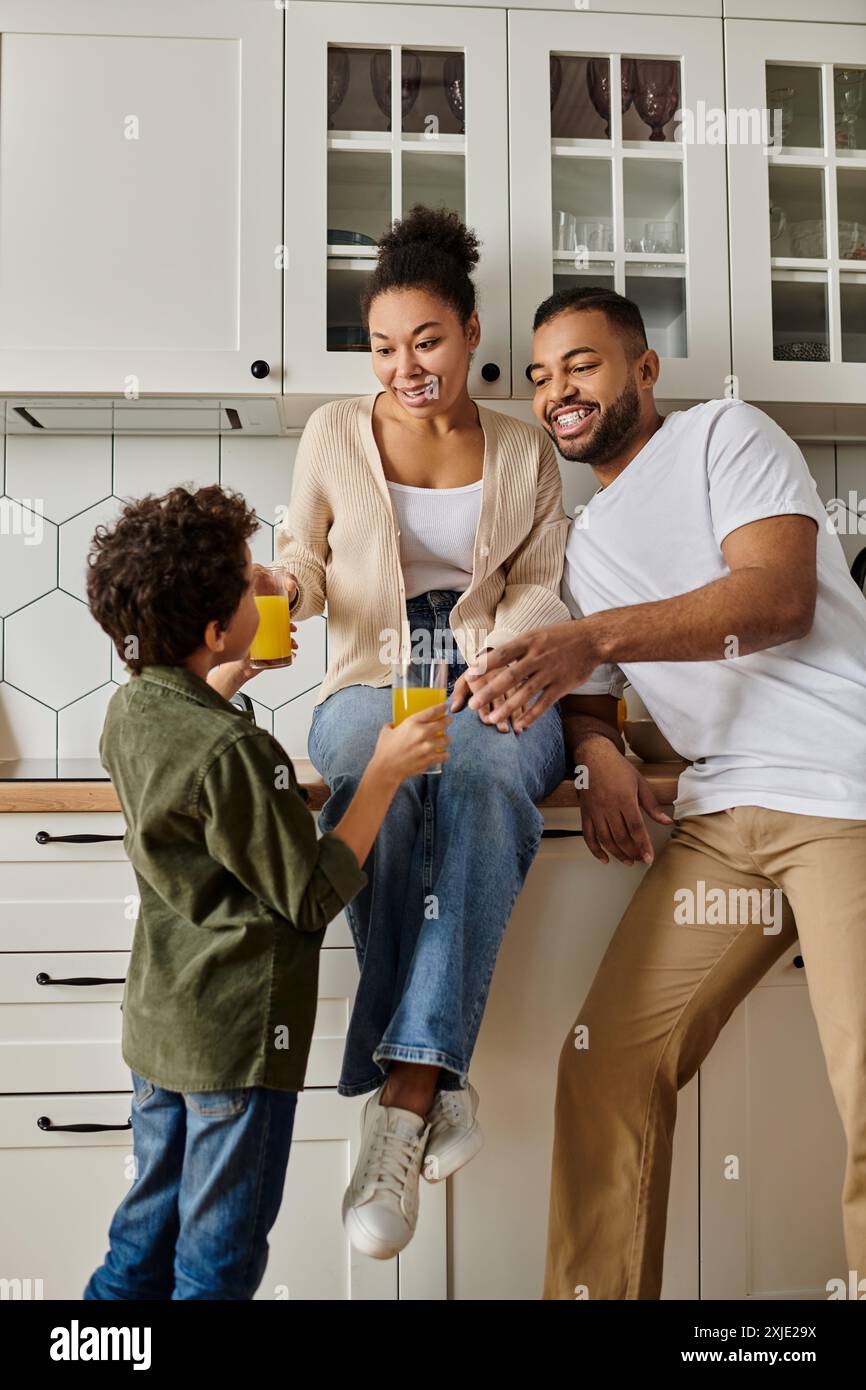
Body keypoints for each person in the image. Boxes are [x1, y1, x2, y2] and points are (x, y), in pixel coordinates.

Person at [454, 286, 866, 1299]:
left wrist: (588, 640)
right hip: (719, 820)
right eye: (543, 376)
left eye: (581, 365)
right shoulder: (582, 542)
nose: (558, 392)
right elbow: (592, 698)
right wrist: (595, 750)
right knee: (603, 1070)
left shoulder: (727, 434)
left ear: (642, 371)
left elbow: (770, 596)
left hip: (842, 788)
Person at [275, 205, 571, 1259]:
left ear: (471, 331)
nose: (405, 366)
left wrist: (497, 665)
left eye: (427, 342)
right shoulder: (328, 432)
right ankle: (434, 1086)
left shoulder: (523, 450)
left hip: (495, 670)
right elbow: (305, 561)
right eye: (384, 347)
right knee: (369, 768)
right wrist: (284, 588)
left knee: (489, 779)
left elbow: (541, 589)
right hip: (370, 668)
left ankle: (399, 1100)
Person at [82, 484, 449, 1299]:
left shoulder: (130, 708)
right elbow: (312, 895)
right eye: (253, 583)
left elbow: (188, 765)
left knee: (141, 1240)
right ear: (214, 630)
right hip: (238, 1045)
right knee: (218, 1264)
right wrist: (384, 773)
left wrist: (230, 671)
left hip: (160, 1033)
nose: (270, 587)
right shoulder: (239, 756)